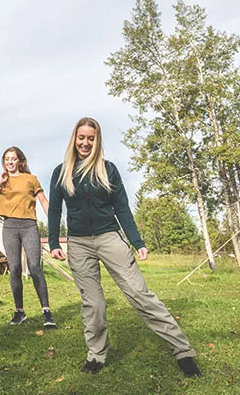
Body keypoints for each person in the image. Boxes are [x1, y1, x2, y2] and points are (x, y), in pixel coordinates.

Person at [48, 117, 201, 377]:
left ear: (97, 141)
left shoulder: (108, 169)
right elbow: (54, 210)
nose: (85, 142)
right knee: (93, 304)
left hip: (110, 237)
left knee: (140, 294)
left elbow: (122, 208)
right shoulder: (61, 172)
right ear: (74, 139)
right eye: (81, 137)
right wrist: (53, 242)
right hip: (79, 243)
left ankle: (183, 351)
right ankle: (96, 355)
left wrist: (137, 241)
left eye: (91, 138)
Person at [0, 146, 57, 328]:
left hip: (28, 226)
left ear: (20, 161)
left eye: (13, 159)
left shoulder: (31, 179)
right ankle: (20, 312)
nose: (10, 162)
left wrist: (54, 222)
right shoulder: (2, 181)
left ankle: (46, 312)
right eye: (6, 159)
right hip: (9, 226)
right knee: (14, 268)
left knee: (34, 266)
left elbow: (43, 201)